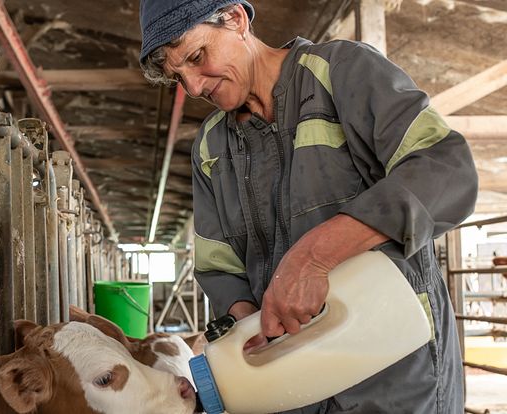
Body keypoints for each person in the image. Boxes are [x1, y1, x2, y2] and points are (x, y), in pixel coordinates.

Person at [139, 1, 478, 413]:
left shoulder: (341, 72)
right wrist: (247, 327)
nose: (193, 87)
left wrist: (313, 258)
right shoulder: (212, 146)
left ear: (236, 20)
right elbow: (218, 265)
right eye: (179, 76)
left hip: (395, 369)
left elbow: (445, 169)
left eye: (196, 57)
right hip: (293, 380)